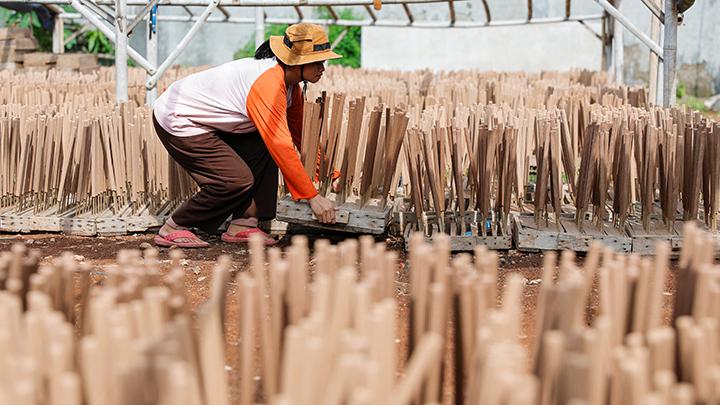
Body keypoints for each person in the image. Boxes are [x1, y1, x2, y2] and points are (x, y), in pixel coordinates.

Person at [152, 23, 339, 248]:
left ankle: (244, 223)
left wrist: (330, 175)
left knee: (264, 147)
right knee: (234, 181)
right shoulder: (268, 83)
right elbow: (281, 143)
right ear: (295, 62)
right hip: (180, 117)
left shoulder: (292, 87)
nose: (322, 68)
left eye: (323, 62)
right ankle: (174, 226)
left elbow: (300, 135)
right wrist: (312, 197)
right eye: (317, 62)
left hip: (215, 122)